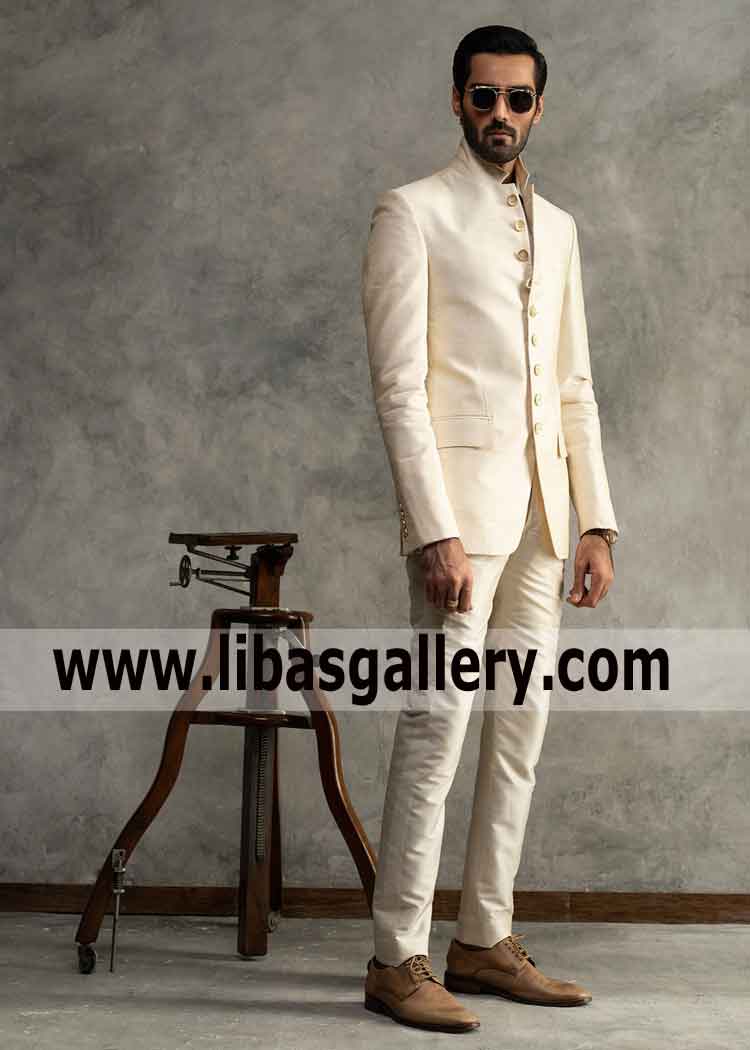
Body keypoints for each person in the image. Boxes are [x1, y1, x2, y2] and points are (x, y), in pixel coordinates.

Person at [359, 24, 620, 1033]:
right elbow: (398, 389)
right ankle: (397, 956)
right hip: (461, 524)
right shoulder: (411, 212)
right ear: (457, 101)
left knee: (519, 733)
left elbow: (574, 386)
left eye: (517, 98)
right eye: (483, 96)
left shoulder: (560, 228)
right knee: (438, 727)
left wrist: (596, 522)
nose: (500, 113)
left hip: (546, 521)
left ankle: (482, 938)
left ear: (539, 107)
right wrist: (432, 529)